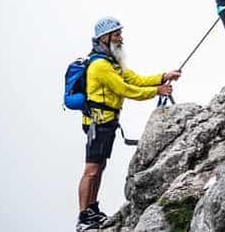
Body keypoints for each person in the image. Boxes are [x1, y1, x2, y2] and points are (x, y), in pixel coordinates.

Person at [76, 17, 181, 231]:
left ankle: (91, 209)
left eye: (119, 34)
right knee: (92, 170)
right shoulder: (100, 66)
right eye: (116, 35)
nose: (120, 38)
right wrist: (157, 91)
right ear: (104, 38)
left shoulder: (112, 62)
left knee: (99, 167)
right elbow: (125, 89)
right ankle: (83, 216)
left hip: (106, 123)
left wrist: (163, 77)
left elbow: (135, 79)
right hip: (98, 124)